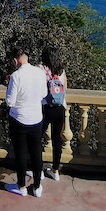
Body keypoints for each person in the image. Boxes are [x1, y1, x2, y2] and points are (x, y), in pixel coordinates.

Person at [5, 48, 49, 197]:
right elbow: (44, 94)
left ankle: (21, 186)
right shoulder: (40, 72)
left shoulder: (16, 76)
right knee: (37, 153)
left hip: (19, 119)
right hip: (36, 118)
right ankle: (37, 187)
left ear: (15, 60)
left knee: (21, 153)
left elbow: (10, 101)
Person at [40, 47, 68, 182]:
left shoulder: (41, 70)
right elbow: (65, 90)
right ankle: (55, 171)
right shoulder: (61, 71)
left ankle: (38, 170)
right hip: (60, 108)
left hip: (45, 108)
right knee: (57, 140)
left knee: (37, 139)